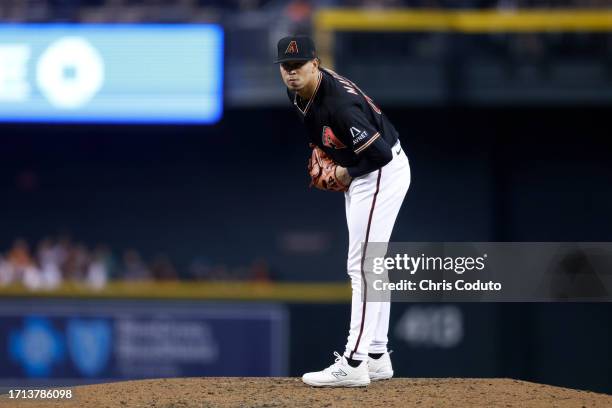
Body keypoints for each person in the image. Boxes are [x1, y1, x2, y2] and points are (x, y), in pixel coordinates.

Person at [275, 35, 411, 387]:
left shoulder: (338, 104)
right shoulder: (298, 92)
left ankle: (354, 362)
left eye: (299, 65)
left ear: (315, 64)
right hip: (370, 170)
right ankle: (377, 357)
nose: (291, 73)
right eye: (286, 67)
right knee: (373, 265)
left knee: (362, 267)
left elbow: (378, 153)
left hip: (381, 171)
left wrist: (343, 172)